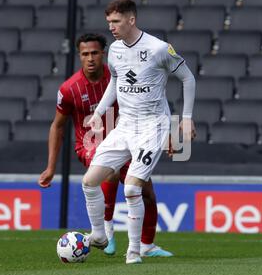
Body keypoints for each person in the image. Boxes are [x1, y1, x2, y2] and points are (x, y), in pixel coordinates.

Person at [82, 0, 196, 264]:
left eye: (116, 21)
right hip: (125, 126)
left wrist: (187, 118)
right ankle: (99, 235)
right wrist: (99, 112)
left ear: (131, 20)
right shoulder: (115, 50)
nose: (111, 27)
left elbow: (188, 78)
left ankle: (134, 251)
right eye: (109, 22)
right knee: (89, 181)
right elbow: (116, 83)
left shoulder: (159, 49)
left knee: (132, 189)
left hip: (152, 126)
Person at [38, 33, 173, 257]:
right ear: (79, 56)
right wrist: (51, 167)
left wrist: (165, 132)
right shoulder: (69, 89)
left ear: (104, 54)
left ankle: (147, 245)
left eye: (94, 53)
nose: (90, 58)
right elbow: (57, 126)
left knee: (146, 191)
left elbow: (154, 101)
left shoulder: (123, 75)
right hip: (89, 143)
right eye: (85, 54)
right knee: (109, 173)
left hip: (128, 139)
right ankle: (105, 233)